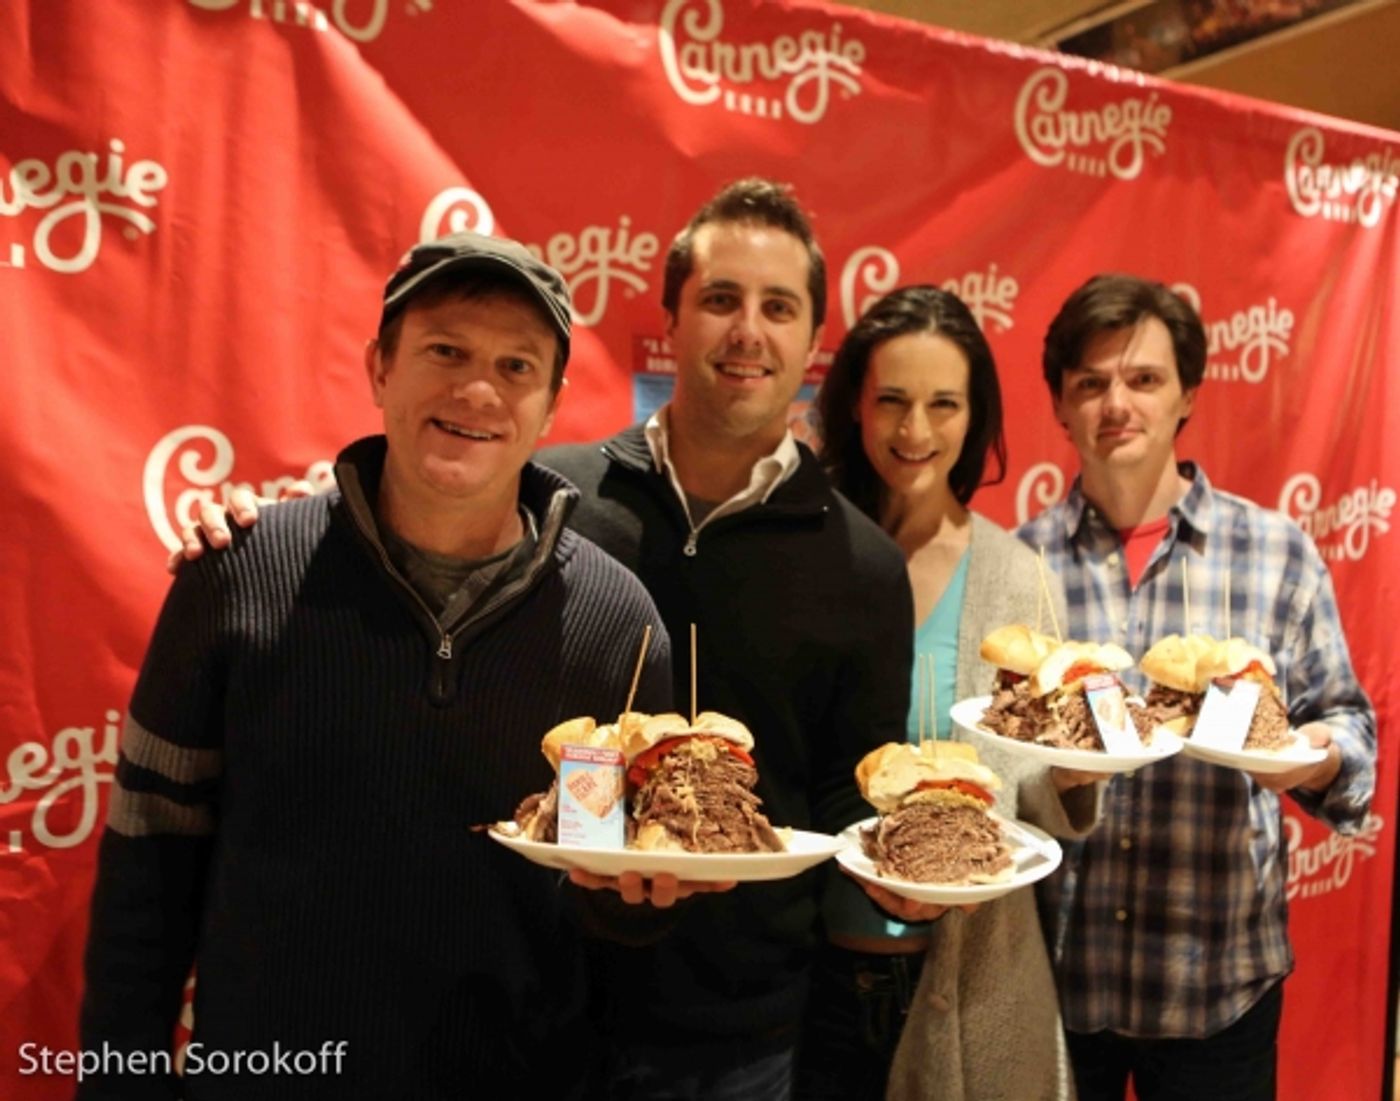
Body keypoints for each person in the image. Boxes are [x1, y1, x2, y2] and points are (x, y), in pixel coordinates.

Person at [169, 179, 913, 1101]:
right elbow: (403, 512)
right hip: (522, 1015)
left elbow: (849, 789)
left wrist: (899, 882)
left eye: (778, 307)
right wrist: (257, 525)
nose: (747, 331)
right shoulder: (549, 496)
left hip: (728, 1036)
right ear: (671, 319)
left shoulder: (867, 564)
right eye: (720, 299)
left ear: (813, 344)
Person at [78, 231, 674, 1100]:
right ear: (379, 368)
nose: (477, 389)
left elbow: (601, 904)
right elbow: (148, 869)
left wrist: (634, 893)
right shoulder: (236, 577)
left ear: (550, 407)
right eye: (445, 350)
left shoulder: (610, 632)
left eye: (516, 366)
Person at [1018, 273, 1376, 1101]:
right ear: (1061, 406)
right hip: (1068, 978)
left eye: (1143, 379)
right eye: (1091, 384)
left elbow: (1349, 727)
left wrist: (1315, 758)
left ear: (1186, 396)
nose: (1117, 403)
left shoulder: (1277, 551)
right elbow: (999, 759)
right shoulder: (1020, 564)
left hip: (1221, 977)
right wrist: (1045, 780)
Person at [802, 285, 1096, 1101]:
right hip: (809, 977)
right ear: (854, 405)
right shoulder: (808, 555)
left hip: (972, 975)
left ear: (976, 417)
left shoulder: (1017, 578)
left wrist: (1074, 777)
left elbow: (1033, 794)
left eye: (944, 404)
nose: (916, 431)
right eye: (892, 400)